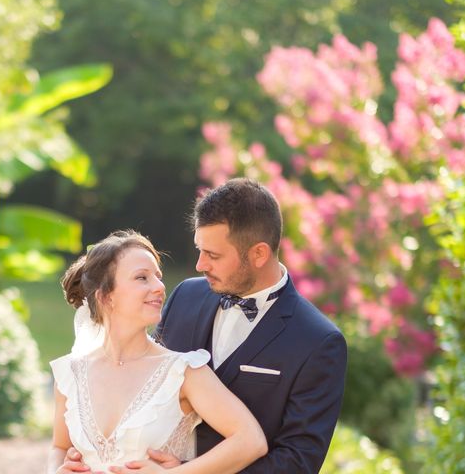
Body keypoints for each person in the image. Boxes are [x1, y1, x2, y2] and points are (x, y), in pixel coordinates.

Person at [63, 178, 347, 473]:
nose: (200, 265)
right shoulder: (186, 296)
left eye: (213, 255)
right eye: (200, 249)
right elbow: (145, 383)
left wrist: (187, 471)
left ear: (259, 254)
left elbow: (298, 463)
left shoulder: (317, 341)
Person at [47, 230, 268, 474]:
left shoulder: (183, 372)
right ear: (105, 297)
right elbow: (60, 445)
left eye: (158, 277)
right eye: (142, 278)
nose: (159, 286)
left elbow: (251, 440)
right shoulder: (71, 374)